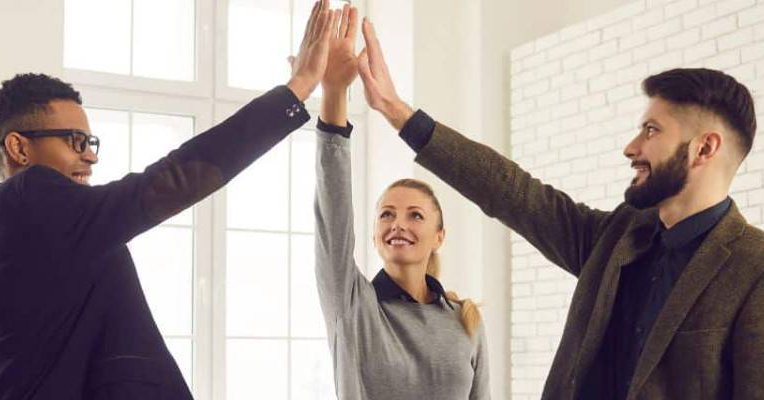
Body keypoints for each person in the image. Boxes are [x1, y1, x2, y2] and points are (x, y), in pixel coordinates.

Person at [355, 17, 764, 400]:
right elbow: (511, 192)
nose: (631, 147)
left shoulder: (754, 268)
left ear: (704, 148)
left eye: (651, 130)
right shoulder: (617, 236)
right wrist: (396, 111)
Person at [0, 2, 339, 398]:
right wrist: (298, 88)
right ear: (19, 148)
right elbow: (168, 182)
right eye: (75, 141)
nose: (90, 156)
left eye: (91, 142)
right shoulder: (33, 197)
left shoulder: (50, 228)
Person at [312, 5, 490, 399]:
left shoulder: (467, 321)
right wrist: (334, 94)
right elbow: (333, 217)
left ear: (439, 236)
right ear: (374, 235)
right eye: (387, 215)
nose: (398, 224)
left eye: (416, 216)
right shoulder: (353, 306)